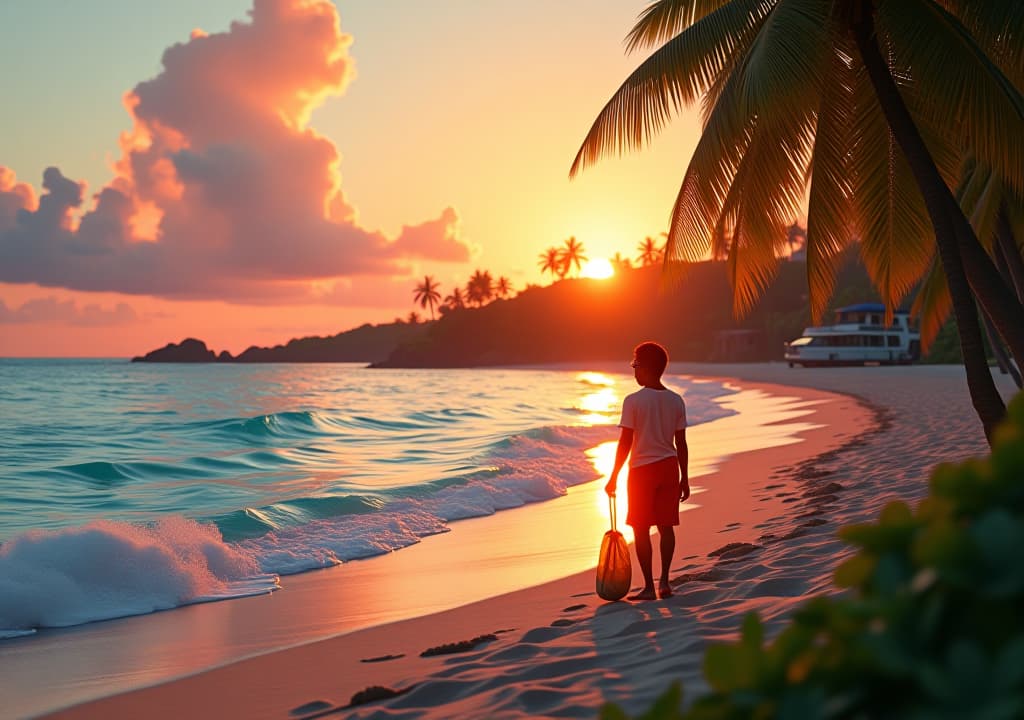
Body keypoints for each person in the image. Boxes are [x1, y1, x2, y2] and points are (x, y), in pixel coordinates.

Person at [605, 341, 689, 601]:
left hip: (642, 470)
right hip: (668, 468)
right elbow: (681, 443)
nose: (633, 371)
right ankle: (665, 581)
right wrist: (684, 477)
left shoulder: (633, 401)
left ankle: (649, 588)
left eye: (635, 365)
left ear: (646, 368)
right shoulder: (676, 400)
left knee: (641, 529)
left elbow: (625, 443)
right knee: (666, 526)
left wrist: (613, 476)